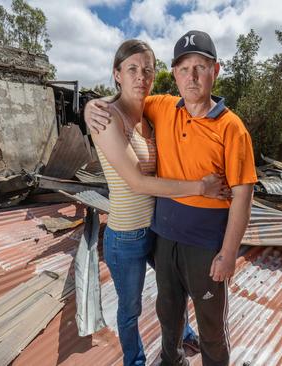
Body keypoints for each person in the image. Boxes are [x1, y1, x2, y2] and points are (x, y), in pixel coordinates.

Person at [86, 31, 257, 366]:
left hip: (205, 245)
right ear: (175, 74)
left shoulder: (231, 127)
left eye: (200, 67)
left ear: (215, 71)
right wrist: (90, 106)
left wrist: (229, 253)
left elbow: (243, 194)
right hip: (162, 239)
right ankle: (171, 360)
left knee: (211, 323)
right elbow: (121, 100)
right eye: (183, 68)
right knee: (168, 310)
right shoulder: (163, 107)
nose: (191, 76)